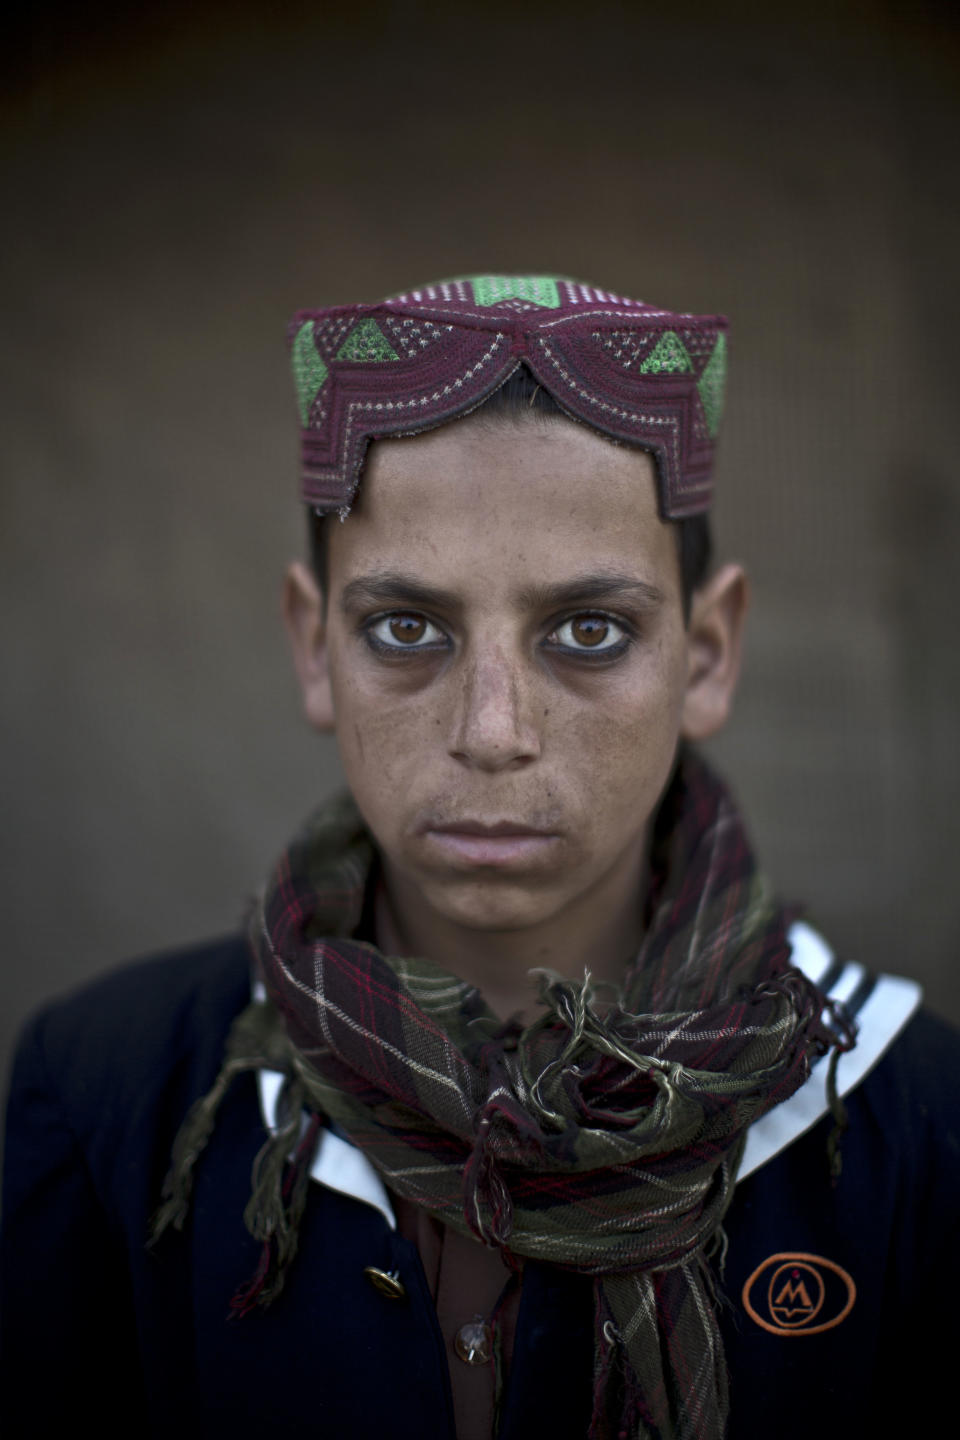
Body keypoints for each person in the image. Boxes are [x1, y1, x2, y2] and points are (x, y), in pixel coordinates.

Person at [2, 274, 957, 1440]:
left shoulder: (912, 1117)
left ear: (707, 654)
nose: (492, 731)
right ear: (315, 647)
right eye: (407, 629)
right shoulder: (115, 1094)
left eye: (588, 631)